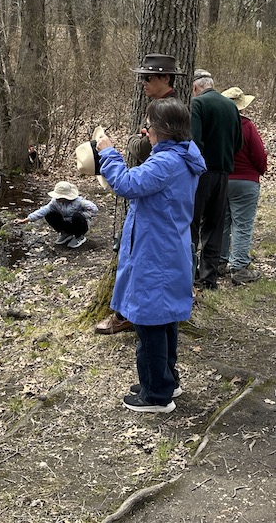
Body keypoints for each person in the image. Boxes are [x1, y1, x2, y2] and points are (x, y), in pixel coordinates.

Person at [95, 98, 206, 413]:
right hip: (168, 248)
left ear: (160, 131)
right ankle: (166, 379)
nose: (146, 132)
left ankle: (156, 395)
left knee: (149, 322)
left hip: (156, 253)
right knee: (166, 318)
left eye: (149, 127)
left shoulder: (166, 163)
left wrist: (107, 152)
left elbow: (127, 184)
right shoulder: (183, 156)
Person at [94, 53, 181, 335]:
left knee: (146, 269)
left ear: (165, 78)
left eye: (148, 77)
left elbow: (148, 152)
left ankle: (137, 317)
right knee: (133, 260)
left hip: (153, 196)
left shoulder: (171, 112)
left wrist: (116, 150)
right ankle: (131, 313)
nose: (142, 82)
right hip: (148, 190)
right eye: (142, 77)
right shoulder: (160, 107)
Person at [190, 71, 243, 290]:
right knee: (214, 225)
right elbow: (238, 143)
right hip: (223, 174)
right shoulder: (231, 106)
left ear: (195, 88)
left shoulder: (197, 105)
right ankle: (209, 278)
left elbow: (194, 143)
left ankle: (190, 272)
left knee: (191, 224)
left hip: (201, 174)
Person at [220, 87, 268, 285]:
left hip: (221, 180)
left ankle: (218, 261)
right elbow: (259, 155)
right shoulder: (247, 126)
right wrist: (260, 170)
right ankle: (239, 266)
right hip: (246, 181)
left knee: (221, 224)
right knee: (242, 225)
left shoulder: (215, 126)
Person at [13, 181, 98, 249]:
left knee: (77, 216)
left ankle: (79, 236)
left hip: (79, 223)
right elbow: (43, 210)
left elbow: (94, 209)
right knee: (49, 214)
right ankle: (66, 233)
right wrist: (26, 220)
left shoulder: (79, 202)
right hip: (66, 223)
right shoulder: (55, 202)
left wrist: (83, 215)